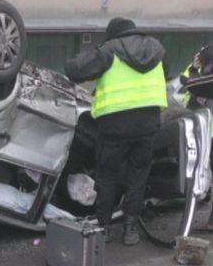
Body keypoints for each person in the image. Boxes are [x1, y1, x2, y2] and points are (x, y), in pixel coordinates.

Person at [65, 18, 167, 245]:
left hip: (115, 127)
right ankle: (130, 229)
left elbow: (75, 70)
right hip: (148, 124)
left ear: (113, 35)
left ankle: (104, 227)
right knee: (137, 176)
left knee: (107, 175)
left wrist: (87, 55)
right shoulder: (155, 49)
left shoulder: (110, 50)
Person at [181, 45, 213, 230]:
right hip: (202, 131)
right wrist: (194, 68)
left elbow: (194, 86)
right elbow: (185, 81)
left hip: (207, 133)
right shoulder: (199, 71)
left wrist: (194, 71)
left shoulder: (205, 80)